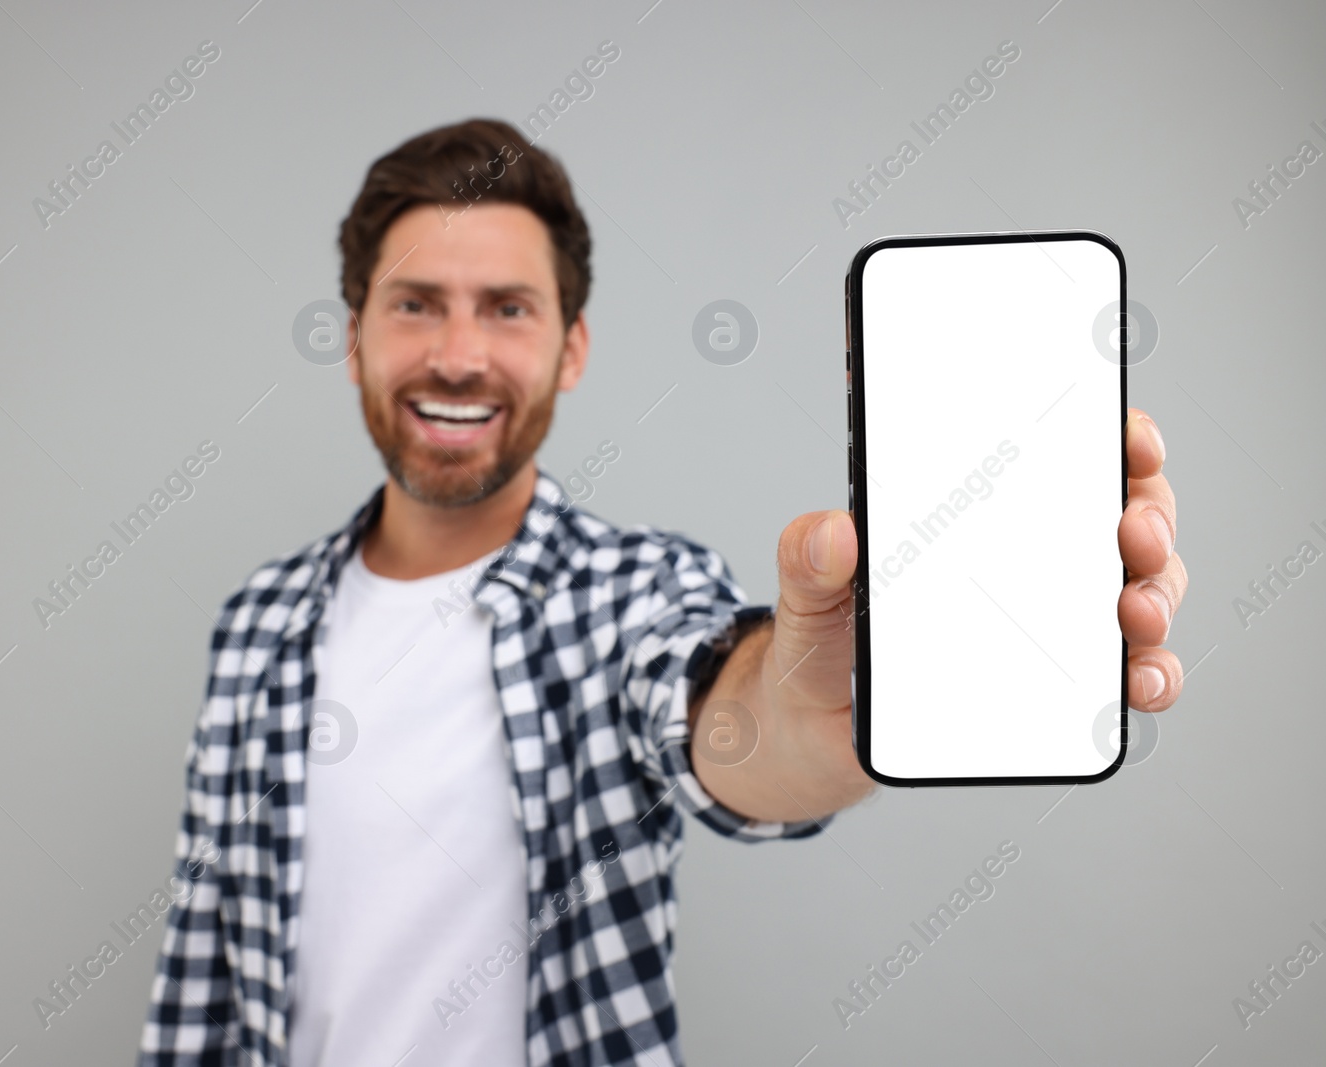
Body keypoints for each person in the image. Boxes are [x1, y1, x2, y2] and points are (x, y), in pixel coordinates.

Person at [137, 118, 1186, 1066]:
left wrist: (813, 713)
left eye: (507, 308)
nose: (457, 355)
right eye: (414, 305)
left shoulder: (632, 590)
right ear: (356, 336)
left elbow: (716, 704)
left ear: (571, 349)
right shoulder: (258, 625)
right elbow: (202, 983)